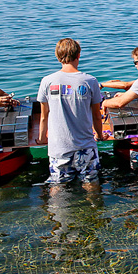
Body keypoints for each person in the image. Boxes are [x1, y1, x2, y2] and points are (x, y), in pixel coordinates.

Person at [37, 38, 104, 186]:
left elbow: (44, 116)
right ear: (78, 55)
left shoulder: (47, 81)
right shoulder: (90, 81)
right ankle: (95, 208)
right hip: (85, 145)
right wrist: (99, 135)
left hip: (58, 147)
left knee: (58, 186)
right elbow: (96, 116)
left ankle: (56, 209)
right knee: (91, 184)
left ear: (57, 56)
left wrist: (42, 137)